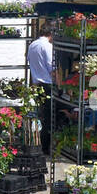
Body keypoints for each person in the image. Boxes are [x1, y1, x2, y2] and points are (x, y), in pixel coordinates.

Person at [27, 20, 59, 154]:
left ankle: (35, 143)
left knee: (38, 115)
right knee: (49, 117)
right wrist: (59, 84)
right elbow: (52, 67)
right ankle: (45, 148)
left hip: (36, 84)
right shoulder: (47, 46)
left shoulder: (32, 45)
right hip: (47, 84)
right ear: (51, 33)